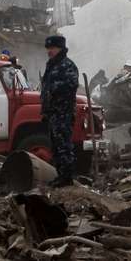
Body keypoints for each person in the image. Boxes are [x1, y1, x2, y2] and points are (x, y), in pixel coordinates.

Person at [40, 35, 79, 187]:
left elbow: (71, 85)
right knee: (55, 145)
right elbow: (45, 89)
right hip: (52, 113)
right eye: (48, 49)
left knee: (64, 146)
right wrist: (44, 111)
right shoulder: (51, 65)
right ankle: (60, 176)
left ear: (60, 48)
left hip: (63, 112)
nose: (49, 51)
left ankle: (67, 177)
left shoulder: (67, 65)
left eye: (52, 48)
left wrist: (54, 90)